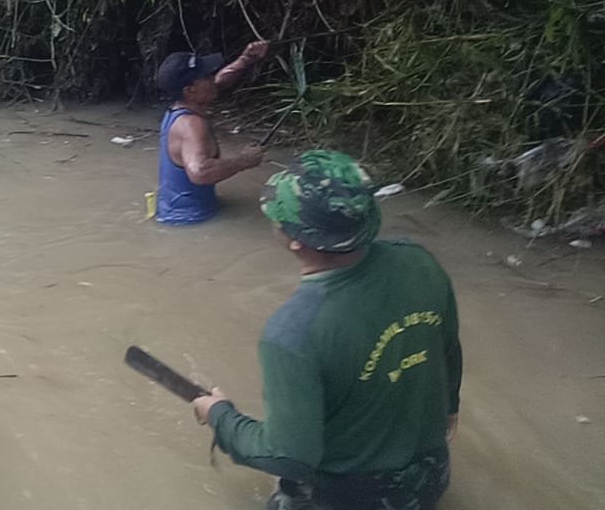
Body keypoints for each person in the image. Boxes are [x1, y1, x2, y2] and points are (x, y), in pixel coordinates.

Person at [190, 150, 462, 510]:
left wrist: (221, 417)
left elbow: (288, 456)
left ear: (295, 240)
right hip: (431, 478)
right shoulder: (419, 261)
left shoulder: (292, 334)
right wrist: (450, 407)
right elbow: (449, 352)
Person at [155, 41, 270, 224]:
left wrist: (245, 59)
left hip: (171, 211)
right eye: (206, 76)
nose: (212, 79)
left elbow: (218, 82)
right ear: (190, 91)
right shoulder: (191, 124)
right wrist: (246, 160)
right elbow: (200, 172)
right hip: (191, 220)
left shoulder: (177, 110)